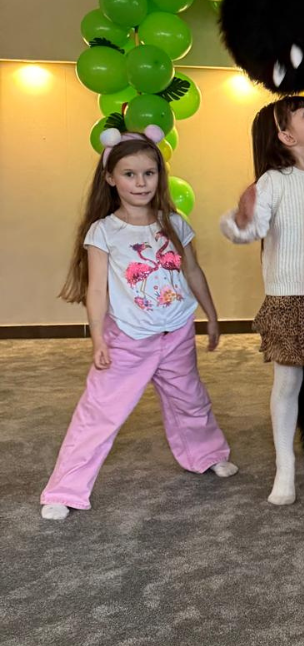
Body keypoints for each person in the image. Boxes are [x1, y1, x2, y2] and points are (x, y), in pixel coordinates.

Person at [40, 128, 236, 520]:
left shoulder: (175, 223)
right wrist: (98, 339)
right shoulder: (103, 231)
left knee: (191, 400)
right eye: (130, 174)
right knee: (99, 412)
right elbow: (97, 290)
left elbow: (193, 272)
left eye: (149, 173)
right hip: (128, 339)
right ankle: (65, 490)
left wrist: (211, 315)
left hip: (176, 330)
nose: (141, 182)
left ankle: (206, 454)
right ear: (110, 178)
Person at [220, 96, 304, 506]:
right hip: (287, 297)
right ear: (287, 136)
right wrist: (240, 220)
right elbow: (250, 229)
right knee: (288, 382)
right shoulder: (273, 181)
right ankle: (284, 468)